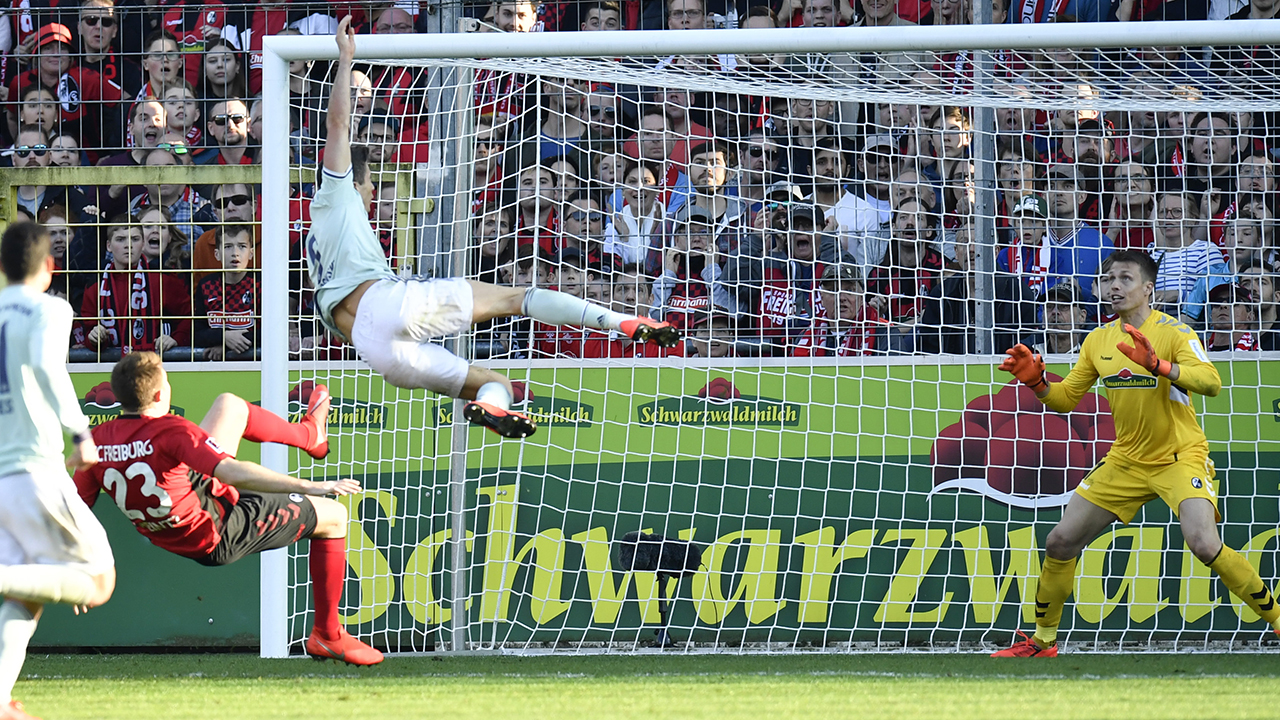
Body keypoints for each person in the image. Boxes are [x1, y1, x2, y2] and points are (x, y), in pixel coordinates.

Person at [305, 19, 678, 439]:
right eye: (371, 184)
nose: (373, 192)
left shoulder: (314, 240)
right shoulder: (335, 192)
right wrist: (345, 59)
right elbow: (338, 125)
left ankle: (491, 407)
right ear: (353, 183)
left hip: (372, 347)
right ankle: (619, 321)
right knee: (516, 298)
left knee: (495, 384)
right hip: (388, 303)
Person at [992, 249, 1280, 657]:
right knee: (1059, 542)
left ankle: (1277, 619)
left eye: (1125, 279)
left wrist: (1158, 365)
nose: (1114, 286)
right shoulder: (1098, 339)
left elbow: (1211, 383)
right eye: (1109, 279)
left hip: (1179, 456)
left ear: (1148, 289)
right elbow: (1066, 398)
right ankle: (1043, 641)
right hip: (1126, 460)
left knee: (1203, 543)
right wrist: (1038, 383)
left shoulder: (1175, 333)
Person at [72, 353, 383, 666]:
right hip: (219, 531)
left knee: (229, 406)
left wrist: (76, 565)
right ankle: (327, 634)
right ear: (159, 395)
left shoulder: (96, 440)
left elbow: (73, 508)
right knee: (335, 516)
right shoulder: (171, 430)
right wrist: (308, 485)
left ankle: (310, 435)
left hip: (188, 501)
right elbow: (232, 473)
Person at [0, 222, 116, 720]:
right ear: (50, 267)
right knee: (99, 580)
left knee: (26, 596)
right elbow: (49, 367)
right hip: (34, 471)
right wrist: (81, 434)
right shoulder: (51, 308)